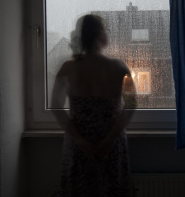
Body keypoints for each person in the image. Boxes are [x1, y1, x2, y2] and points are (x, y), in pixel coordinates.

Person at [51, 14, 137, 197]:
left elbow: (55, 106)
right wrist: (108, 140)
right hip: (111, 144)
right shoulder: (120, 68)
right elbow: (131, 104)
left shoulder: (67, 68)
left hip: (79, 145)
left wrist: (80, 140)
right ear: (101, 36)